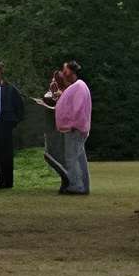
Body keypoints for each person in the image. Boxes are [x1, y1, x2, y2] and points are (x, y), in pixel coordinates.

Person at [44, 61, 94, 195]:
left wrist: (72, 125)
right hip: (76, 128)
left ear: (70, 72)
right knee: (79, 158)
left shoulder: (78, 87)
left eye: (64, 70)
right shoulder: (76, 87)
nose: (62, 73)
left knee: (71, 158)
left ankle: (76, 187)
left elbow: (77, 109)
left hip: (74, 129)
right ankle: (83, 186)